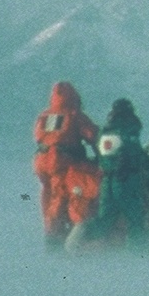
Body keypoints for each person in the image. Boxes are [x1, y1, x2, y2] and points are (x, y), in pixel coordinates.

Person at [33, 81, 99, 247]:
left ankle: (52, 235)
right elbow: (93, 135)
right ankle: (63, 240)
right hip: (61, 162)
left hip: (42, 162)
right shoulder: (74, 114)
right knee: (65, 196)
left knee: (49, 198)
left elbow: (39, 137)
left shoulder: (46, 115)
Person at [90, 97, 146, 245]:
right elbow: (133, 153)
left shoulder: (104, 132)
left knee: (104, 219)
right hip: (125, 180)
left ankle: (82, 243)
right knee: (135, 218)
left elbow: (101, 155)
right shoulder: (128, 130)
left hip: (106, 181)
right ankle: (140, 255)